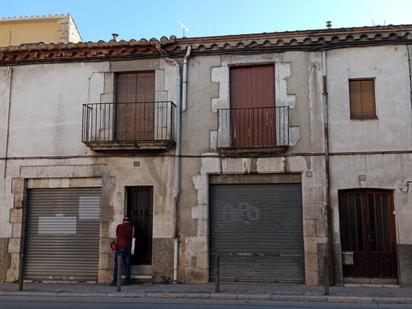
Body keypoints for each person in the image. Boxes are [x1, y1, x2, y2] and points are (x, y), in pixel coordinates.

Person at [112, 216, 134, 285]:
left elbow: (116, 237)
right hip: (127, 249)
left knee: (117, 266)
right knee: (127, 265)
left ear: (123, 221)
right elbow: (133, 238)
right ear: (129, 221)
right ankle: (127, 281)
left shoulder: (119, 226)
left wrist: (115, 244)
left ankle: (115, 281)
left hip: (119, 249)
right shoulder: (132, 227)